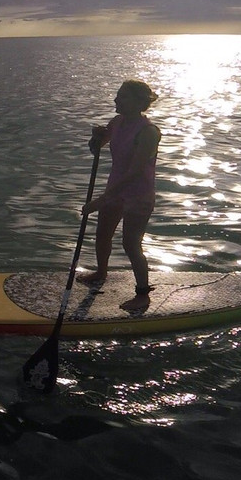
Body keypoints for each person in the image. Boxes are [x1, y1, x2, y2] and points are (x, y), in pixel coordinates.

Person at [77, 79, 161, 312]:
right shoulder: (117, 122)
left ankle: (142, 294)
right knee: (102, 235)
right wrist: (96, 138)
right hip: (114, 190)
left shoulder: (149, 132)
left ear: (138, 102)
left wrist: (101, 200)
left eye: (122, 96)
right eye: (117, 95)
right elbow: (96, 148)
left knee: (131, 244)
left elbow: (135, 172)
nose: (116, 99)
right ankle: (101, 273)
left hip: (138, 195)